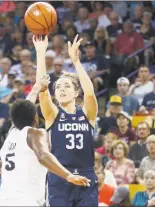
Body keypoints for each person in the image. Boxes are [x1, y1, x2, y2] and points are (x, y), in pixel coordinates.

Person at [0, 75, 90, 206]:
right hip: (25, 202)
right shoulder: (35, 133)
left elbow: (23, 109)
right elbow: (43, 155)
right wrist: (68, 175)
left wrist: (36, 88)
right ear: (35, 117)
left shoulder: (11, 135)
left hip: (1, 201)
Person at [33, 34, 99, 206]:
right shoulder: (52, 115)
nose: (61, 89)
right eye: (58, 87)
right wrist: (40, 53)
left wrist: (76, 62)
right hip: (60, 176)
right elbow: (42, 89)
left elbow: (90, 93)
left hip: (86, 174)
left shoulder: (87, 114)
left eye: (67, 86)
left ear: (76, 92)